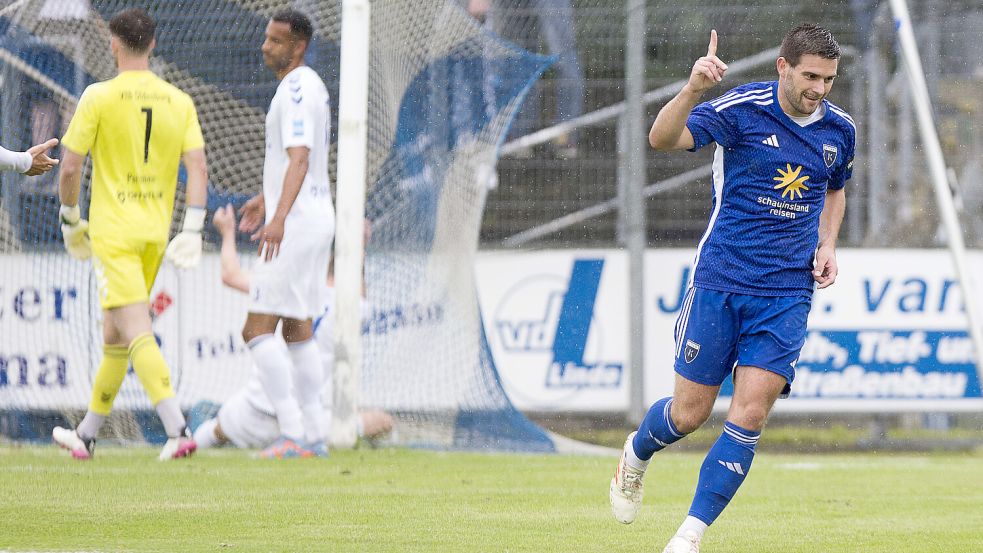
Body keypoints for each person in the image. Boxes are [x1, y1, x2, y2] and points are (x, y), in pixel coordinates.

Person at [609, 24, 854, 553]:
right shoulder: (740, 110)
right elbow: (662, 139)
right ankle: (636, 453)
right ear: (782, 67)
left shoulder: (839, 131)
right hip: (721, 280)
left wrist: (828, 244)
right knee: (688, 415)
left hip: (788, 291)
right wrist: (694, 88)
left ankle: (688, 537)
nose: (819, 88)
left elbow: (835, 190)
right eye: (810, 76)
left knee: (749, 414)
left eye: (829, 79)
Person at [51, 7, 209, 461]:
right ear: (153, 44)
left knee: (136, 330)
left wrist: (70, 219)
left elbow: (71, 166)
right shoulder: (179, 101)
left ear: (113, 43)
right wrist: (193, 227)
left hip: (114, 234)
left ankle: (177, 429)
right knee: (115, 336)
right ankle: (87, 434)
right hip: (155, 234)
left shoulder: (98, 96)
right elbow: (196, 165)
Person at [191, 206, 392, 454]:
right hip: (310, 422)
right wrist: (358, 243)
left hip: (254, 411)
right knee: (381, 421)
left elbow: (230, 275)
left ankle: (187, 442)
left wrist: (228, 231)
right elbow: (354, 280)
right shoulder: (353, 307)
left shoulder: (289, 287)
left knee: (216, 430)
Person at [239, 9, 334, 459]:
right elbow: (297, 163)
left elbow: (299, 157)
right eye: (266, 38)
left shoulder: (295, 87)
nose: (265, 46)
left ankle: (293, 432)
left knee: (256, 329)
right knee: (298, 328)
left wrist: (277, 216)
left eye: (276, 41)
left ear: (297, 46)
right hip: (316, 216)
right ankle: (315, 432)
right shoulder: (310, 84)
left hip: (295, 224)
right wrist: (267, 197)